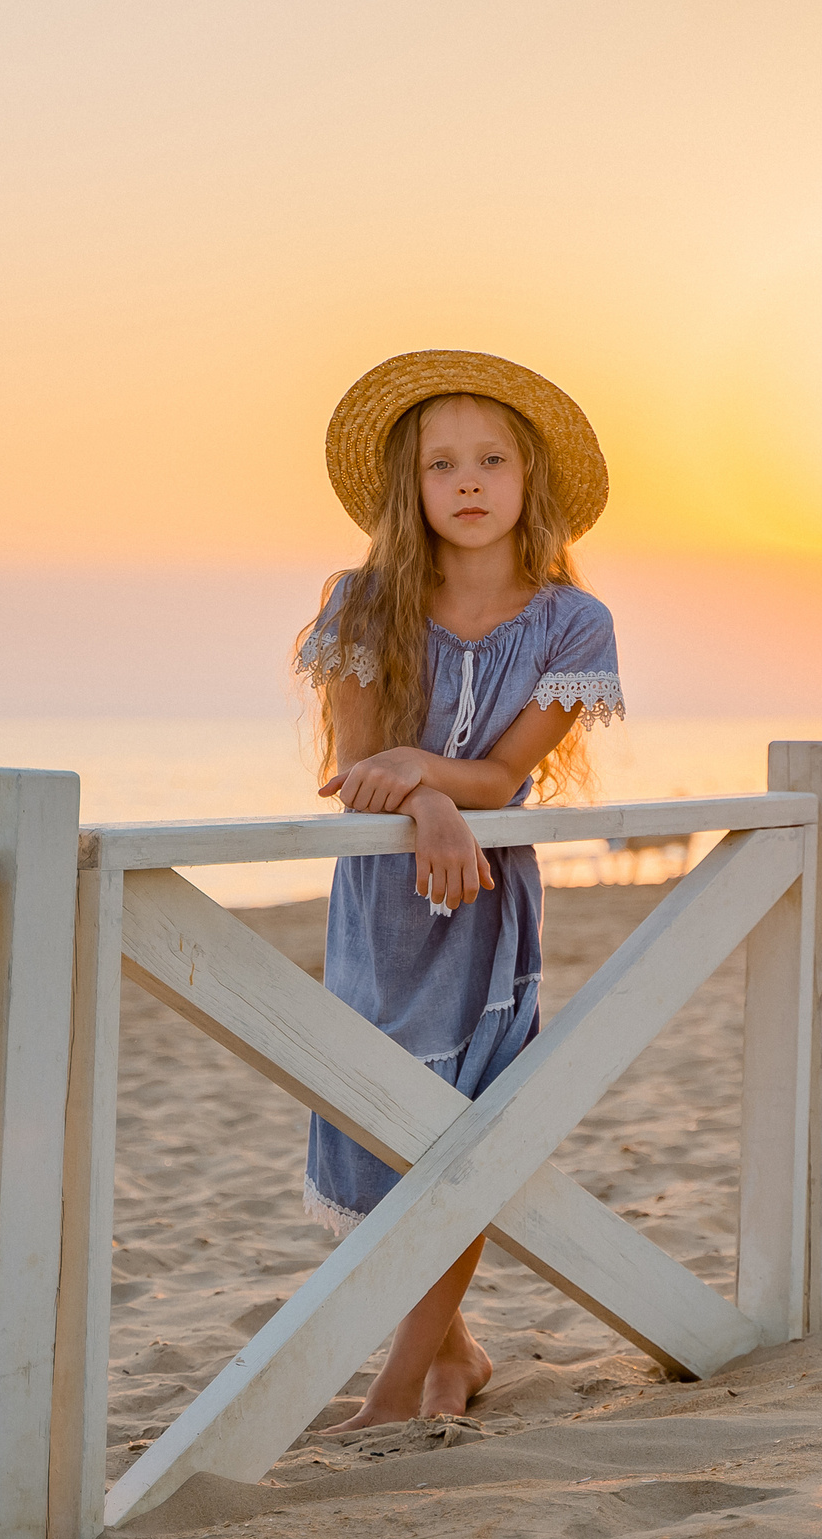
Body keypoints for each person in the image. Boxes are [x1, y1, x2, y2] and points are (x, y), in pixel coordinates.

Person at [292, 350, 625, 1429]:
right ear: (411, 487)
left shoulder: (572, 624)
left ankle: (397, 1390)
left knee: (460, 1137)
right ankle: (459, 1356)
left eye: (491, 459)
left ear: (530, 481)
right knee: (386, 1133)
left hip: (482, 902)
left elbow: (498, 777)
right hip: (384, 900)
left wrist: (434, 785)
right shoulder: (364, 603)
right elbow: (358, 769)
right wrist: (425, 802)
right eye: (442, 464)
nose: (468, 482)